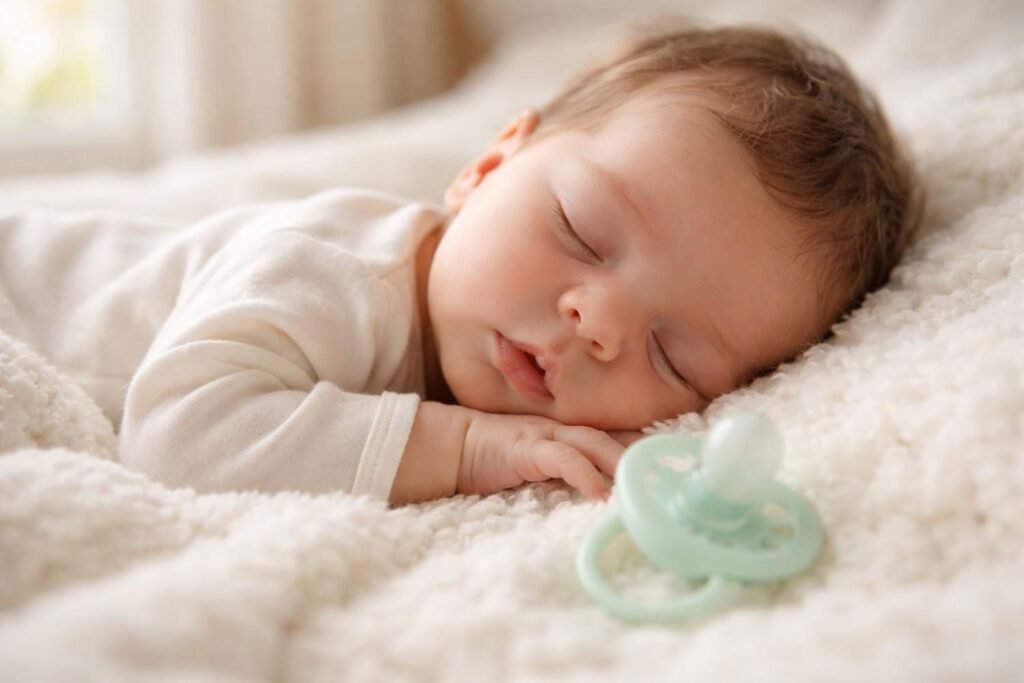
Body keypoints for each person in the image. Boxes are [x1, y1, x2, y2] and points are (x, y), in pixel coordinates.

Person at [0, 24, 921, 505]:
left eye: (671, 355)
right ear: (485, 168)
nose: (599, 321)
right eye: (582, 230)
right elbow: (179, 436)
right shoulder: (330, 268)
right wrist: (466, 449)